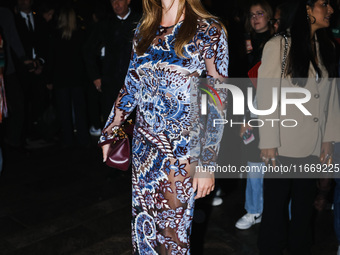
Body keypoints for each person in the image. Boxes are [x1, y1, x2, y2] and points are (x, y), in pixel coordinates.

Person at [99, 0, 229, 253]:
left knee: (172, 236)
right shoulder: (143, 30)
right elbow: (131, 86)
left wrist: (207, 162)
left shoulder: (209, 30)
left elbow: (218, 98)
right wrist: (110, 131)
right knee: (144, 229)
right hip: (144, 149)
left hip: (181, 152)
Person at [257, 0, 340, 254]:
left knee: (304, 209)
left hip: (312, 145)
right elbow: (267, 95)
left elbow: (331, 97)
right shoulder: (279, 45)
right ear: (306, 8)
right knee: (275, 209)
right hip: (282, 144)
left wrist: (329, 139)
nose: (331, 10)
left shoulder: (324, 46)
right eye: (324, 4)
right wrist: (268, 141)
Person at [235, 0, 273, 230]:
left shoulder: (278, 42)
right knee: (253, 159)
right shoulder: (246, 44)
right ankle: (254, 209)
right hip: (250, 107)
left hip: (273, 109)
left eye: (260, 14)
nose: (255, 18)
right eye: (252, 15)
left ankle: (274, 209)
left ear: (269, 17)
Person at [83, 0, 140, 136]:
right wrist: (95, 76)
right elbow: (87, 50)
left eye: (120, 0)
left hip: (136, 82)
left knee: (136, 125)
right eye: (113, 1)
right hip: (111, 83)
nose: (116, 4)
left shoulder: (140, 21)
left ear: (128, 1)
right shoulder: (105, 24)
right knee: (113, 127)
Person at [46, 6, 90, 148]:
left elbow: (51, 59)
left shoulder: (55, 35)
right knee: (80, 109)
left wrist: (49, 79)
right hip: (77, 77)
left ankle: (68, 139)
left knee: (64, 110)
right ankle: (83, 138)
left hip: (61, 77)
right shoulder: (80, 35)